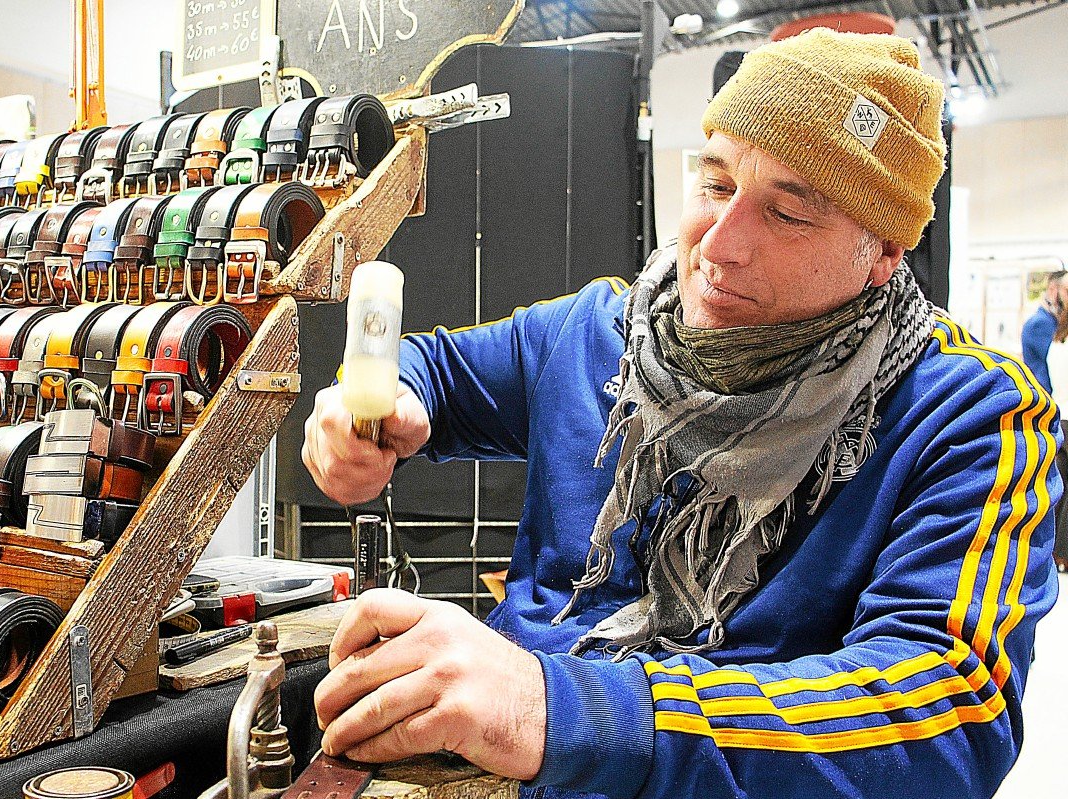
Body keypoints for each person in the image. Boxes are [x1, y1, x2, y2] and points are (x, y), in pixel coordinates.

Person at [302, 29, 1060, 799]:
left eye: (787, 214)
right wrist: (375, 404)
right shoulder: (599, 330)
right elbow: (435, 369)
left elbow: (943, 712)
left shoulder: (968, 414)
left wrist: (553, 708)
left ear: (885, 251)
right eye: (717, 184)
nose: (719, 247)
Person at [1021, 272, 1068, 572]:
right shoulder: (1043, 325)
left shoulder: (1052, 325)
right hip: (1052, 411)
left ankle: (1056, 552)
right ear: (1053, 289)